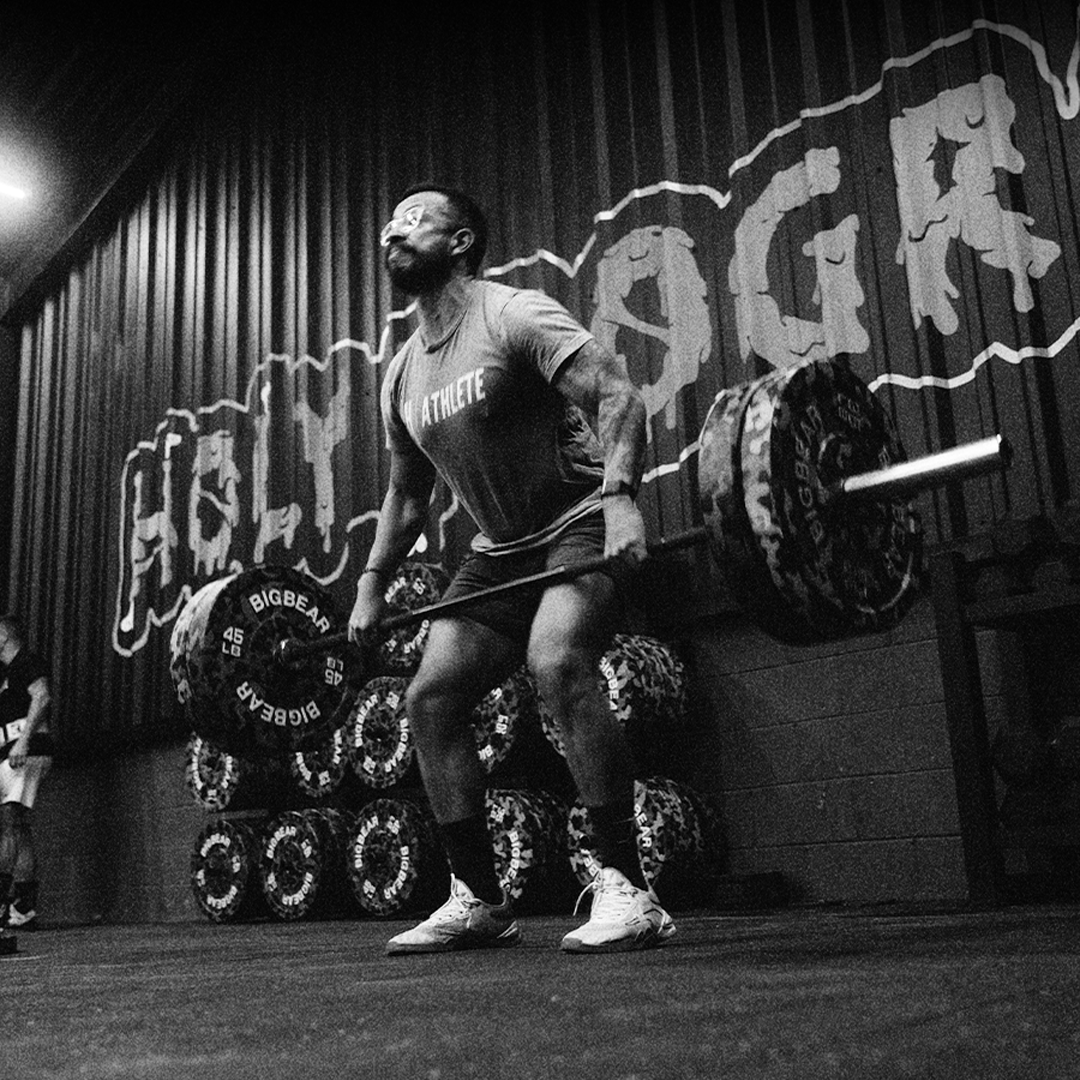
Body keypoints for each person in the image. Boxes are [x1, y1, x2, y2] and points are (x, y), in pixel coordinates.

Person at [349, 185, 675, 954]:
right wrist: (369, 586)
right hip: (499, 549)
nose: (395, 230)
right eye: (390, 222)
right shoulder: (401, 374)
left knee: (556, 661)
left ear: (461, 241)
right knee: (430, 698)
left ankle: (630, 890)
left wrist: (620, 500)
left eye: (416, 219)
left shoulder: (514, 316)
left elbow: (617, 395)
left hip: (577, 518)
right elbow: (407, 494)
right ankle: (479, 901)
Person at [0, 614, 54, 934]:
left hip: (25, 752)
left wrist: (23, 741)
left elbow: (42, 696)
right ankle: (23, 907)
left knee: (9, 822)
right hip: (10, 752)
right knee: (17, 827)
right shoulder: (7, 673)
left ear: (3, 636)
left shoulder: (26, 662)